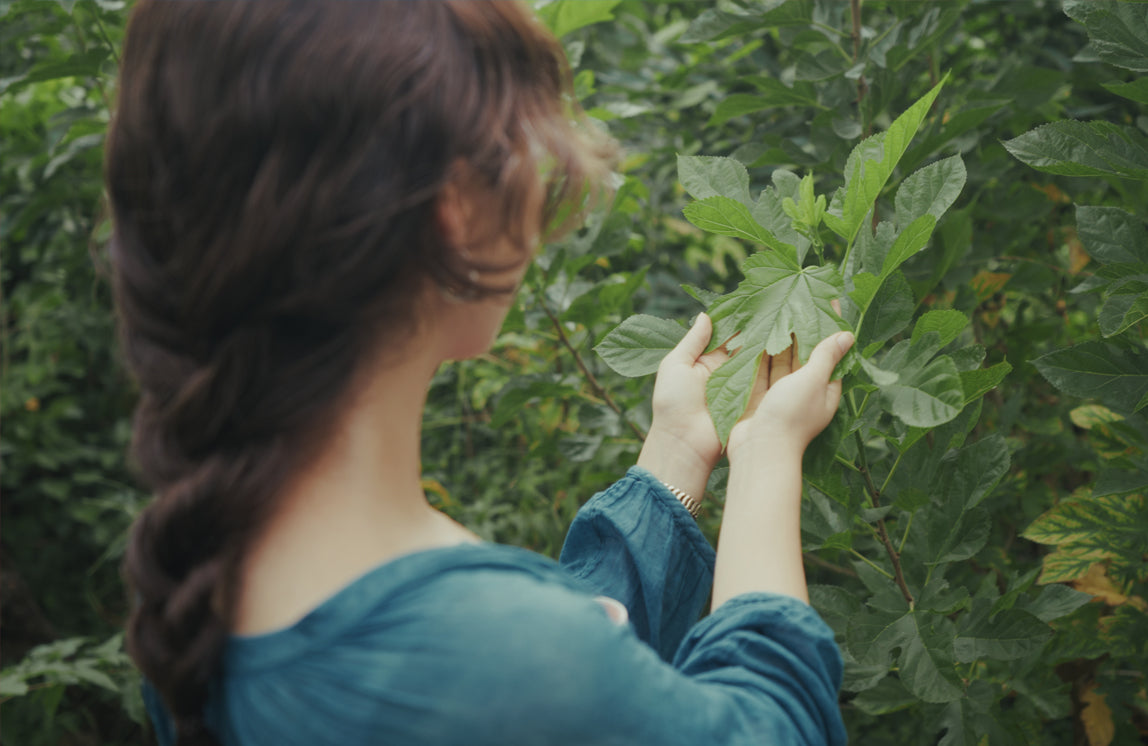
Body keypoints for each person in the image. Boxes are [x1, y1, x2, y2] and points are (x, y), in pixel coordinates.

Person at [105, 2, 855, 744]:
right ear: (454, 209)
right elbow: (765, 727)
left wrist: (676, 458)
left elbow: (566, 689)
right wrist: (765, 458)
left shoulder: (203, 579)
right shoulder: (503, 659)